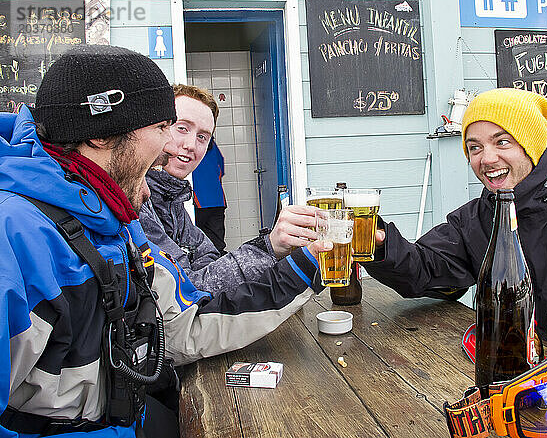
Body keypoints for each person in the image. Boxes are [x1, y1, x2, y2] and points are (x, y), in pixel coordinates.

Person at [0, 45, 328, 438]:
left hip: (129, 416)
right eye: (162, 128)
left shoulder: (115, 219)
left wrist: (303, 270)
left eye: (199, 135)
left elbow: (178, 325)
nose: (173, 146)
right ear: (104, 134)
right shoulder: (16, 234)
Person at [363, 88, 547, 363]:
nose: (486, 159)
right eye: (475, 147)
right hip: (509, 374)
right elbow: (426, 268)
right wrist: (380, 243)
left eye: (501, 142)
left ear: (531, 144)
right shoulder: (481, 215)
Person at [140, 84, 318, 296]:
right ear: (158, 127)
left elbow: (209, 257)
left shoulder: (172, 200)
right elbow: (186, 290)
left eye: (202, 137)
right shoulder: (137, 203)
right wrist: (269, 246)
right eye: (182, 128)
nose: (190, 144)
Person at [193, 139, 227, 254]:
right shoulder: (212, 145)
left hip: (198, 201)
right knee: (218, 242)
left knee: (196, 242)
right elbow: (221, 168)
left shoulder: (186, 148)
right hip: (217, 199)